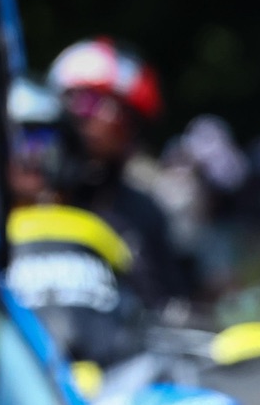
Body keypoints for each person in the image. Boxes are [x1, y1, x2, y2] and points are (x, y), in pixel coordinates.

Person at [46, 38, 191, 307]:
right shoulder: (20, 195)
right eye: (89, 104)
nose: (107, 121)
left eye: (125, 115)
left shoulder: (142, 213)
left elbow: (169, 306)